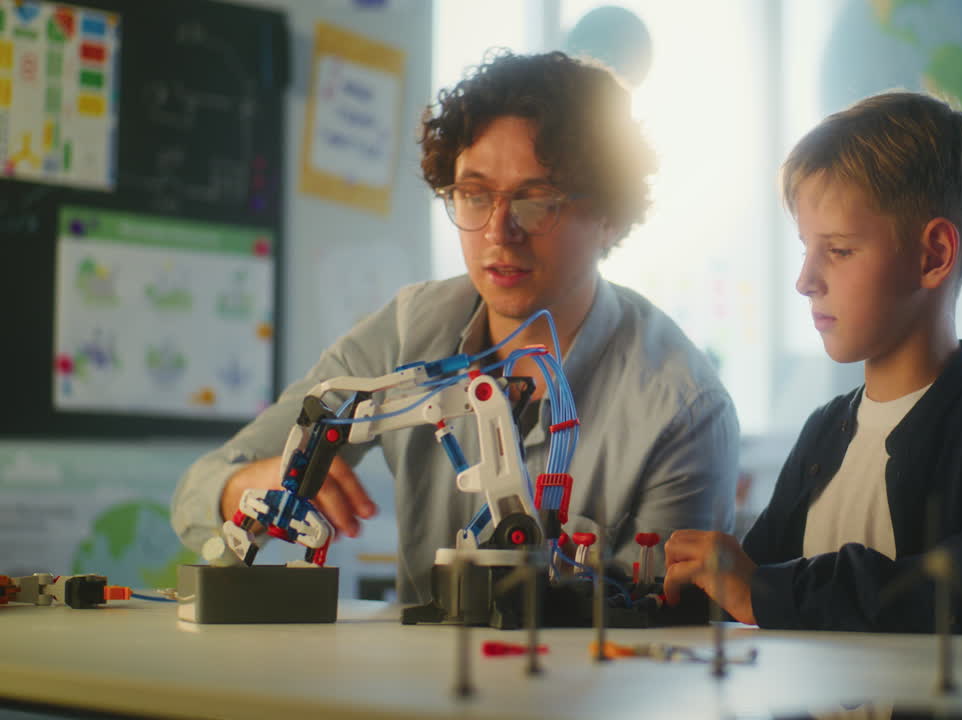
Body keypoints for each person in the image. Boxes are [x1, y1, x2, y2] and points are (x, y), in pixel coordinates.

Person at [171, 50, 739, 602]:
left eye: (536, 200)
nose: (498, 231)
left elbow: (667, 633)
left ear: (608, 218)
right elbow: (197, 489)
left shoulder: (680, 405)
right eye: (473, 194)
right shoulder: (406, 333)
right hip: (419, 692)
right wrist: (243, 488)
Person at [662, 91, 962, 634]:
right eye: (806, 247)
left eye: (839, 250)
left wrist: (761, 590)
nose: (804, 280)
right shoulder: (824, 431)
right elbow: (751, 595)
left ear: (933, 256)